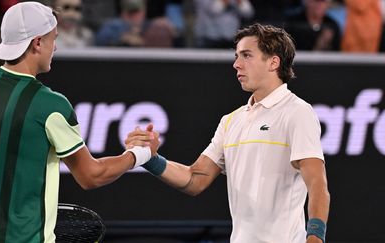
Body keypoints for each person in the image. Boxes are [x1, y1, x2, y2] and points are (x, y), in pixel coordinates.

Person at [0, 2, 154, 242]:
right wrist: (139, 154)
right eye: (53, 39)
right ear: (37, 43)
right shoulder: (50, 105)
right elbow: (91, 175)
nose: (55, 46)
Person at [126, 23, 330, 243]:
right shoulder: (231, 121)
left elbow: (317, 184)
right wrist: (150, 158)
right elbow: (196, 179)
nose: (236, 64)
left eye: (246, 56)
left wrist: (315, 239)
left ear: (273, 62)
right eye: (236, 56)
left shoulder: (297, 112)